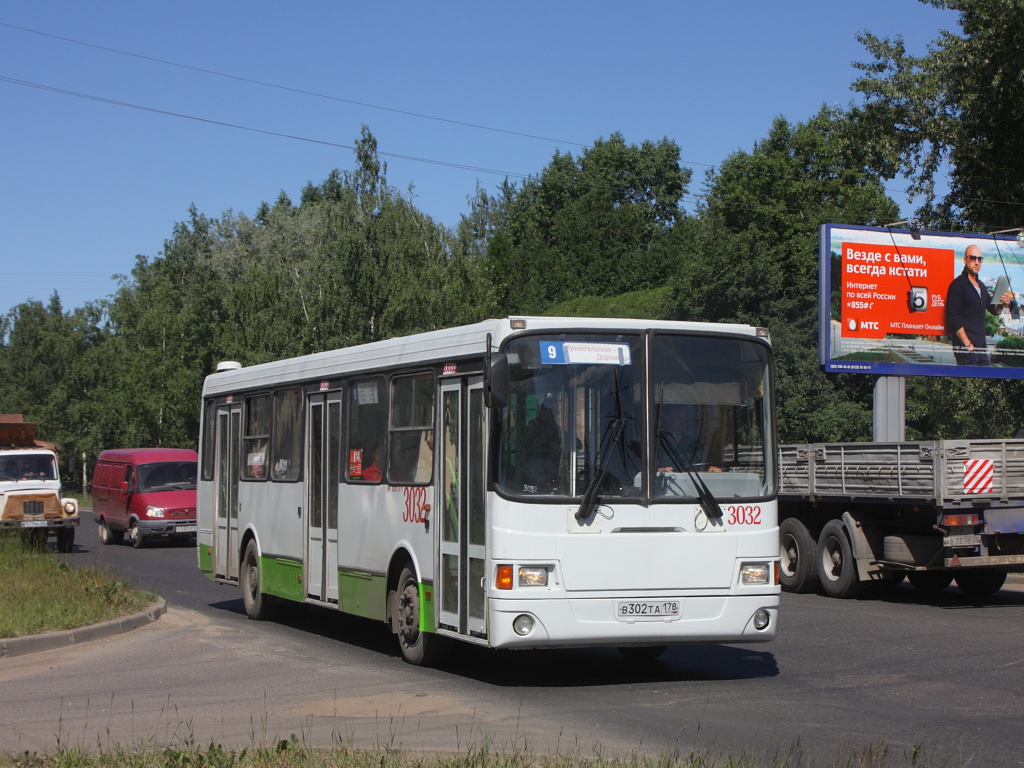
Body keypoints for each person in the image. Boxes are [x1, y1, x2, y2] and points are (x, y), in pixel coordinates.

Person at [946, 244, 1014, 365]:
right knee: (970, 382)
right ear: (965, 259)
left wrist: (1002, 303)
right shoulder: (957, 285)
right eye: (973, 258)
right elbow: (953, 317)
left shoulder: (981, 286)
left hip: (981, 347)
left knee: (986, 381)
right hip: (966, 349)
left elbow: (994, 310)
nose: (977, 262)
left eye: (979, 259)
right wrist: (967, 344)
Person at [656, 404, 721, 473]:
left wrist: (712, 468)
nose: (682, 420)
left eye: (684, 417)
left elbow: (702, 465)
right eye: (678, 417)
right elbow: (646, 469)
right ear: (668, 419)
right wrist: (660, 470)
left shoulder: (693, 444)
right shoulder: (659, 443)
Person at [522, 397, 562, 487]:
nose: (555, 414)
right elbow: (525, 443)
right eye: (553, 411)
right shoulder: (533, 424)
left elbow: (558, 442)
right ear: (545, 411)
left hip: (552, 462)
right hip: (536, 463)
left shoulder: (555, 426)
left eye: (555, 411)